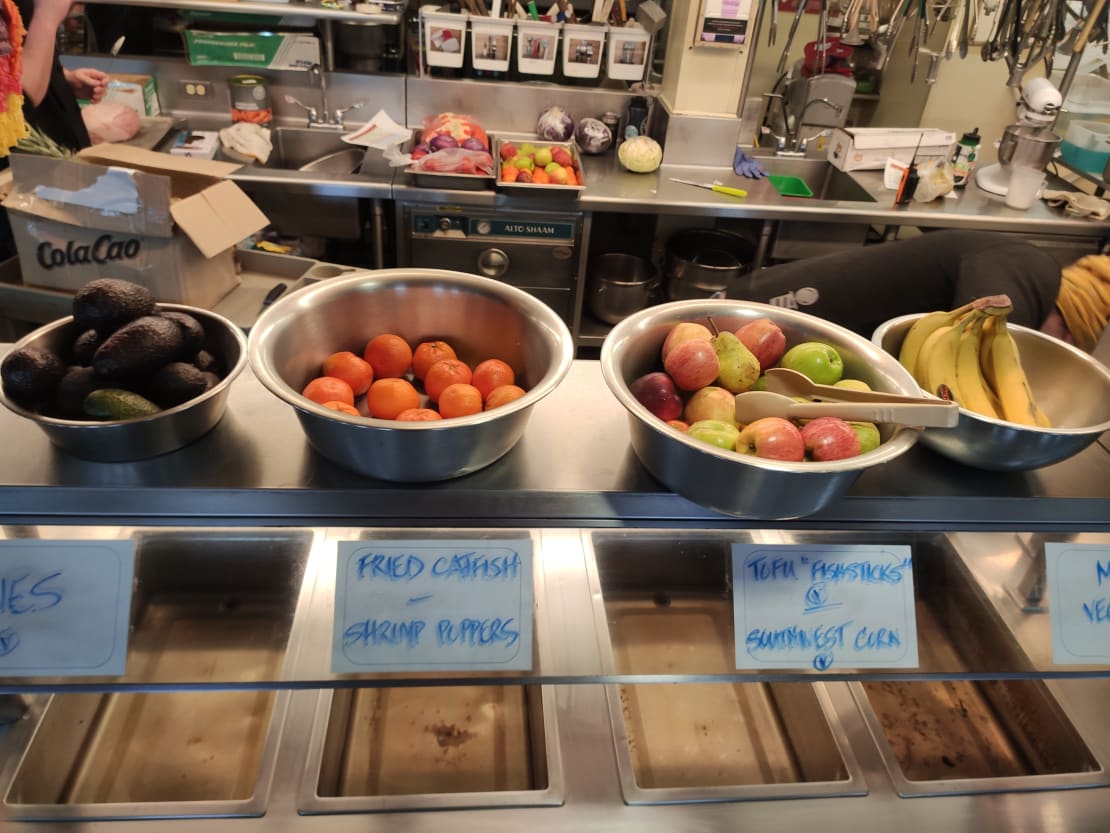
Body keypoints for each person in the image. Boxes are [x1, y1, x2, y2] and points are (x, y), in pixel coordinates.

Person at [734, 229, 1108, 351]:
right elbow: (977, 350)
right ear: (1071, 331)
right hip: (760, 314)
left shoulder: (1027, 269)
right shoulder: (1026, 272)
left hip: (810, 345)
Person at [16, 0, 107, 152]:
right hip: (20, 164)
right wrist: (46, 16)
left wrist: (60, 79)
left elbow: (19, 52)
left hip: (60, 153)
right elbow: (16, 103)